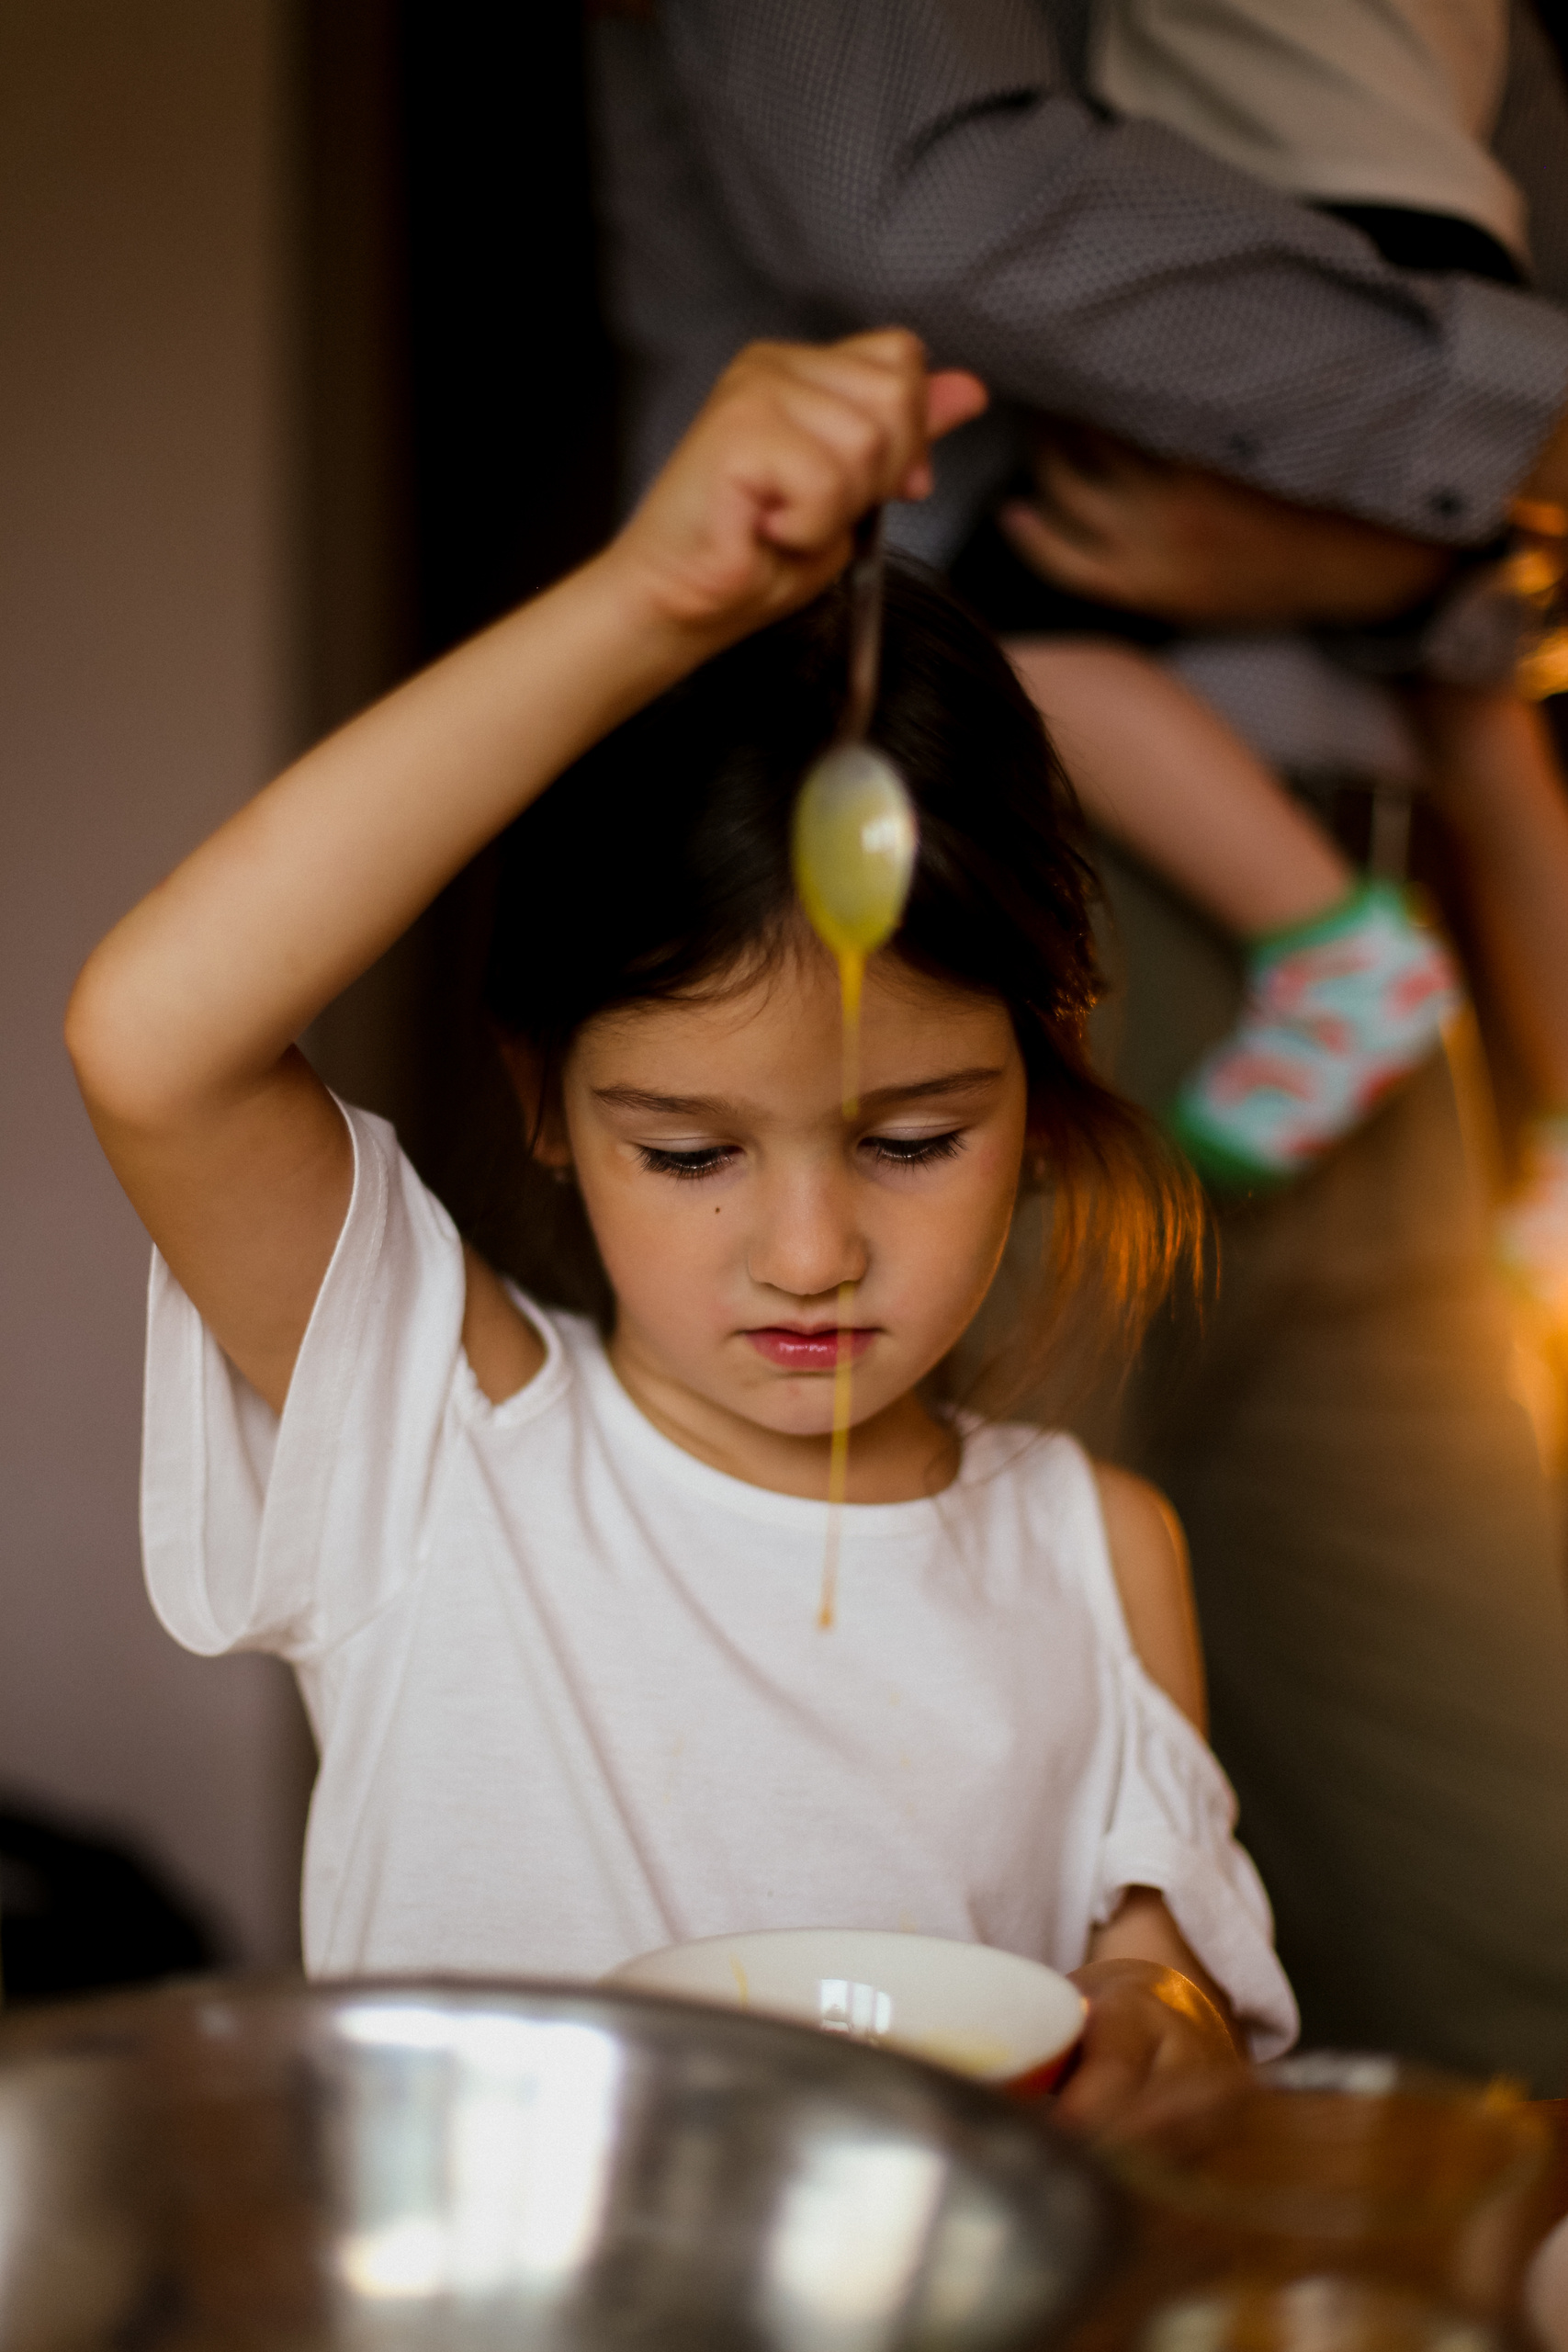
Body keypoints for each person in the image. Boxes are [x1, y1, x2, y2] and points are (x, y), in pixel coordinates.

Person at [66, 334, 1298, 2121]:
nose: (807, 1250)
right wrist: (648, 602)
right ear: (546, 1105)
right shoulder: (437, 1449)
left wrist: (1156, 2009)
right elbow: (153, 1040)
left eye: (909, 1138)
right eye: (691, 1153)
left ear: (1038, 1094)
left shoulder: (1096, 1553)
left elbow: (1142, 1958)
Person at [587, 1, 1568, 2090]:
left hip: (1372, 921)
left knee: (1498, 1901)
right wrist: (1473, 476)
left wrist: (1433, 539)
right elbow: (918, 200)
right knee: (923, 1949)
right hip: (944, 881)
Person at [990, 0, 1568, 1305]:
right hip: (1476, 265)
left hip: (1290, 250)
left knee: (1019, 626)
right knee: (1484, 709)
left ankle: (1326, 943)